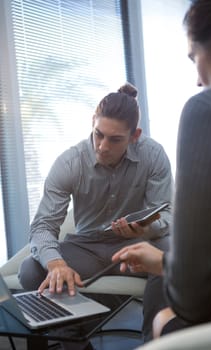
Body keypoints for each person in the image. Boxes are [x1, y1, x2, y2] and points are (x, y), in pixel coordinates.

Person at [112, 0, 211, 340]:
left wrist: (167, 267)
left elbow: (191, 297)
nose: (197, 79)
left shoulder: (207, 111)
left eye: (195, 58)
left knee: (161, 302)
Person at [19, 82, 173, 344]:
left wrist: (147, 228)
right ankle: (74, 341)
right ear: (93, 122)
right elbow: (43, 226)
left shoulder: (153, 155)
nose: (102, 146)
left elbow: (167, 214)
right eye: (98, 134)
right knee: (30, 271)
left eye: (115, 140)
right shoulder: (70, 162)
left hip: (136, 245)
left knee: (171, 261)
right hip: (87, 247)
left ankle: (154, 344)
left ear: (135, 135)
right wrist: (56, 264)